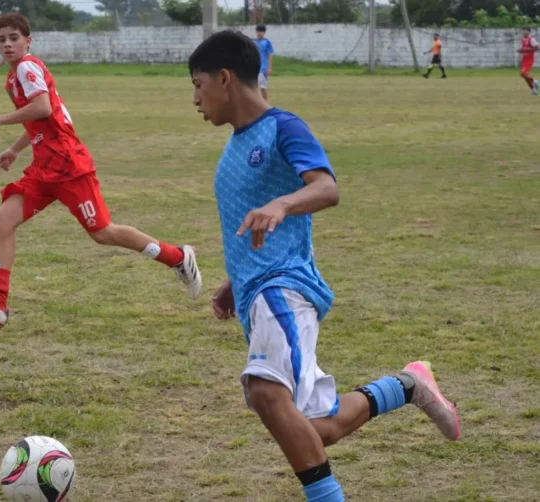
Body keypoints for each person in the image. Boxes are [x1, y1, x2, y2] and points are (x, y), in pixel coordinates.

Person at [189, 30, 461, 501]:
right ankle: (407, 384)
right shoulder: (235, 144)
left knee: (264, 391)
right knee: (316, 428)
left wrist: (283, 204)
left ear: (225, 78)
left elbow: (326, 188)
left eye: (198, 85)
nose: (194, 99)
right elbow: (253, 224)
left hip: (283, 287)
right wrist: (236, 278)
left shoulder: (282, 126)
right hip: (257, 291)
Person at [0, 12, 201, 328]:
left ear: (28, 41)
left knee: (103, 233)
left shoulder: (28, 67)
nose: (7, 44)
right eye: (1, 39)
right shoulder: (13, 79)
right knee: (1, 222)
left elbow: (42, 107)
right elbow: (41, 118)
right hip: (44, 169)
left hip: (68, 166)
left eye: (14, 38)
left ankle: (177, 257)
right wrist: (14, 150)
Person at [253, 25, 274, 100]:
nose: (260, 33)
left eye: (261, 31)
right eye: (258, 31)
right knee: (253, 87)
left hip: (263, 68)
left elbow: (270, 55)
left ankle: (264, 103)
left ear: (264, 33)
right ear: (256, 32)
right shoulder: (253, 42)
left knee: (263, 87)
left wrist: (269, 68)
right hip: (254, 68)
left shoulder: (267, 42)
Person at [518, 27, 539, 95]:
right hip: (524, 59)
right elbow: (523, 49)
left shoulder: (531, 39)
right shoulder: (522, 40)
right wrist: (520, 51)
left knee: (523, 73)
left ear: (529, 32)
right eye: (523, 31)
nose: (524, 32)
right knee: (525, 76)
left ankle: (535, 81)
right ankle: (533, 90)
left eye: (526, 31)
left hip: (529, 60)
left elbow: (537, 48)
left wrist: (527, 50)